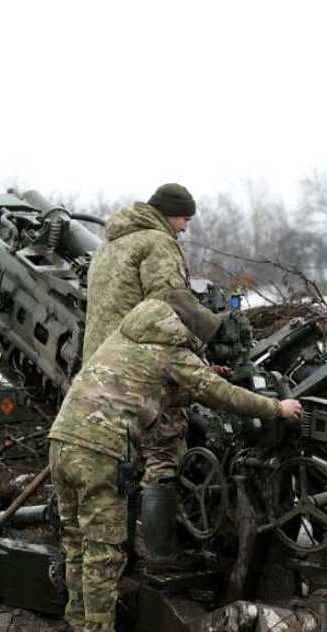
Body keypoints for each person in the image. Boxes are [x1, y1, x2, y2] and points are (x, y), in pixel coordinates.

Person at [49, 289, 303, 632]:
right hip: (100, 451)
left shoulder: (128, 335)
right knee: (104, 554)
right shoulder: (174, 351)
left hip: (62, 441)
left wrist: (197, 377)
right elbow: (221, 395)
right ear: (190, 331)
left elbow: (149, 381)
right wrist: (276, 407)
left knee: (76, 544)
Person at [82, 183, 198, 570]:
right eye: (184, 218)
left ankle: (121, 558)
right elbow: (173, 304)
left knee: (119, 461)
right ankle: (164, 558)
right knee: (163, 452)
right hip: (144, 364)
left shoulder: (109, 245)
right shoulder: (157, 243)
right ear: (169, 213)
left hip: (102, 367)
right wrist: (207, 344)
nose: (184, 228)